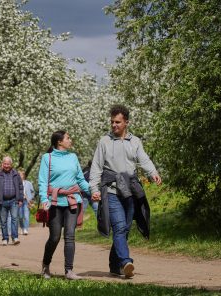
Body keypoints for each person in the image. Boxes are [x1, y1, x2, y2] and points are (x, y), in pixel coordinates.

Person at [89, 104, 162, 279]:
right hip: (112, 191)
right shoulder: (104, 141)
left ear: (126, 122)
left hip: (129, 191)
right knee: (120, 227)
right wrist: (94, 188)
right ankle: (126, 262)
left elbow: (143, 159)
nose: (114, 125)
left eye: (118, 122)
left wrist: (153, 172)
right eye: (112, 122)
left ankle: (114, 266)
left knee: (126, 229)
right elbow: (96, 166)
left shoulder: (135, 141)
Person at [38, 130, 90, 280]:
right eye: (68, 138)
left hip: (72, 201)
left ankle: (69, 271)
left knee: (70, 236)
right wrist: (44, 199)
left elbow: (80, 179)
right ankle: (46, 266)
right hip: (54, 203)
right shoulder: (47, 158)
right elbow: (42, 181)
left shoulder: (73, 157)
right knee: (54, 237)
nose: (70, 140)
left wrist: (92, 191)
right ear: (59, 142)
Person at [0, 156, 24, 246]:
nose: (6, 165)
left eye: (8, 164)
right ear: (2, 164)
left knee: (14, 219)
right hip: (2, 201)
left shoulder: (16, 174)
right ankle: (5, 238)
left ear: (11, 164)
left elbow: (20, 187)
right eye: (5, 164)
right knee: (3, 221)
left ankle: (15, 237)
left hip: (13, 200)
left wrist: (20, 199)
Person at [18, 169, 35, 235]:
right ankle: (22, 228)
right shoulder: (16, 184)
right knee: (20, 216)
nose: (20, 176)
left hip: (26, 201)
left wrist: (30, 198)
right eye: (19, 175)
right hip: (19, 201)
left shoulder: (28, 183)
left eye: (21, 175)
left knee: (26, 215)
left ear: (23, 176)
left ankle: (26, 229)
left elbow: (33, 192)